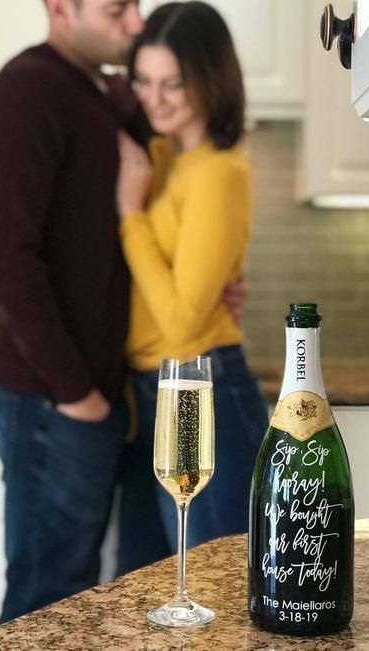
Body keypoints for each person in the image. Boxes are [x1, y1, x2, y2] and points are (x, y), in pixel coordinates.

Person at [0, 0, 245, 623]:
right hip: (52, 400)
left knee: (105, 599)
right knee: (47, 596)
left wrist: (216, 269)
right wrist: (78, 396)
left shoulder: (107, 93)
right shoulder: (26, 93)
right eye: (117, 9)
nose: (135, 23)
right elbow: (2, 261)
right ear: (59, 9)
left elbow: (185, 166)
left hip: (108, 393)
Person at [115, 0, 269, 569]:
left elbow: (182, 324)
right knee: (146, 586)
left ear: (209, 79)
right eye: (144, 81)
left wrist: (130, 214)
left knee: (211, 583)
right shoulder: (160, 154)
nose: (153, 98)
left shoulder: (219, 172)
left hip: (200, 389)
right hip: (153, 391)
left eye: (172, 84)